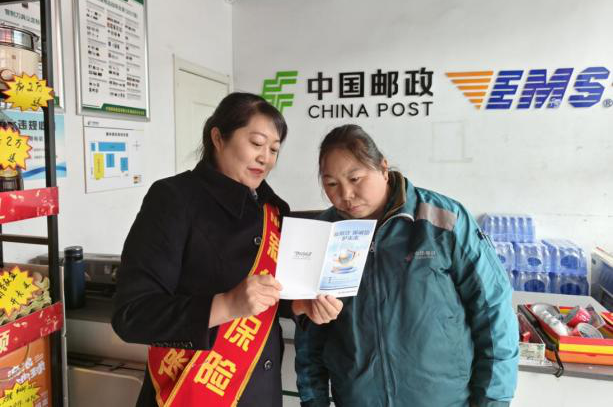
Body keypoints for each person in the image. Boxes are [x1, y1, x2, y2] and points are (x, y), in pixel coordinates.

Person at [112, 92, 343, 407]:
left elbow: (271, 295)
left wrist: (300, 304)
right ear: (218, 138)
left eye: (274, 149)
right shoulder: (174, 199)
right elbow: (132, 316)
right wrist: (225, 305)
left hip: (260, 390)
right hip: (190, 391)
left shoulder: (273, 210)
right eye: (257, 143)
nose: (265, 158)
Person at [295, 124, 519, 407]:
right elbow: (309, 337)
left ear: (383, 167)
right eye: (331, 184)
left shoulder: (443, 221)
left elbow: (493, 310)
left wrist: (493, 400)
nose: (346, 194)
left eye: (355, 178)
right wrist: (312, 400)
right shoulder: (325, 234)